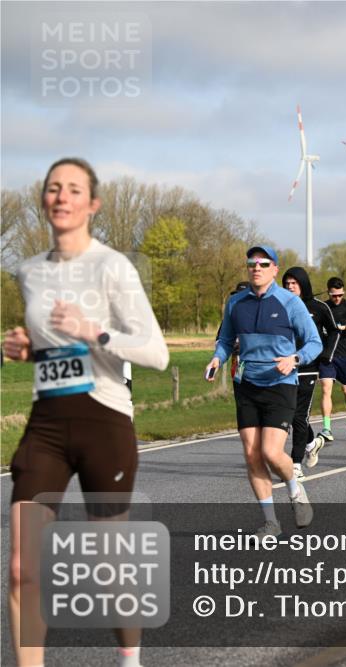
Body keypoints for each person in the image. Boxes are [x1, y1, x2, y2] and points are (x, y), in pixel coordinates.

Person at [5, 157, 169, 667]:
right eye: (53, 188)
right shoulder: (28, 271)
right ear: (43, 200)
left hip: (104, 421)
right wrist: (27, 345)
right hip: (46, 424)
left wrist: (92, 331)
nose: (61, 197)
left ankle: (129, 658)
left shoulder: (112, 266)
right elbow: (54, 345)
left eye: (74, 189)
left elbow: (156, 354)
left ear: (92, 204)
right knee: (21, 569)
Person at [207, 245, 322, 536]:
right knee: (252, 454)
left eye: (263, 263)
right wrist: (217, 358)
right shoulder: (235, 303)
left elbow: (313, 343)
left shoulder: (290, 303)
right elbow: (225, 339)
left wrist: (293, 359)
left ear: (274, 269)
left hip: (280, 384)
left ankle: (296, 492)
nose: (256, 267)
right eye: (251, 263)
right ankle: (271, 522)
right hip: (246, 384)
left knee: (271, 452)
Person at [281, 267, 336, 479]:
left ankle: (295, 464)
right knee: (290, 415)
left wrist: (326, 355)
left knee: (299, 415)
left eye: (293, 283)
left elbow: (333, 331)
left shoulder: (318, 308)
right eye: (286, 284)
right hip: (284, 369)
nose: (289, 287)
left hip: (308, 368)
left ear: (303, 284)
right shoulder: (279, 306)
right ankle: (313, 443)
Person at [309, 277, 346, 462]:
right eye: (334, 295)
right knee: (326, 389)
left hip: (345, 356)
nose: (337, 298)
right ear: (328, 292)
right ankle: (326, 427)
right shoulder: (323, 308)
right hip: (328, 357)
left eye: (340, 295)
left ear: (343, 292)